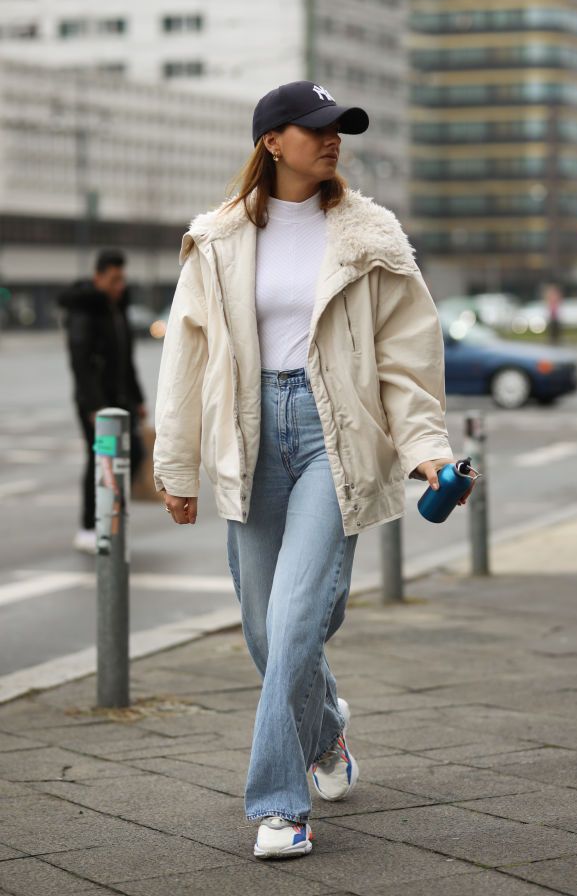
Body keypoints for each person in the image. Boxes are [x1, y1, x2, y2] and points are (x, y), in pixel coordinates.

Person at [152, 80, 472, 861]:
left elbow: (407, 363)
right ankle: (325, 730)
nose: (332, 140)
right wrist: (176, 464)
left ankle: (278, 804)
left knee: (298, 619)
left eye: (339, 130)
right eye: (315, 128)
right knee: (267, 631)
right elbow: (185, 359)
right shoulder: (218, 237)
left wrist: (428, 453)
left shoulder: (371, 236)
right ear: (271, 142)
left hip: (335, 436)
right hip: (251, 432)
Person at [57, 249, 147, 553]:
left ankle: (109, 517)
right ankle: (88, 526)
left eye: (122, 279)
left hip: (120, 400)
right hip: (95, 405)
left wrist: (137, 398)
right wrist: (94, 406)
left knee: (131, 453)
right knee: (100, 459)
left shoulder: (115, 306)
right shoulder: (85, 310)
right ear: (98, 277)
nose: (120, 285)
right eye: (114, 279)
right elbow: (80, 361)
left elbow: (125, 359)